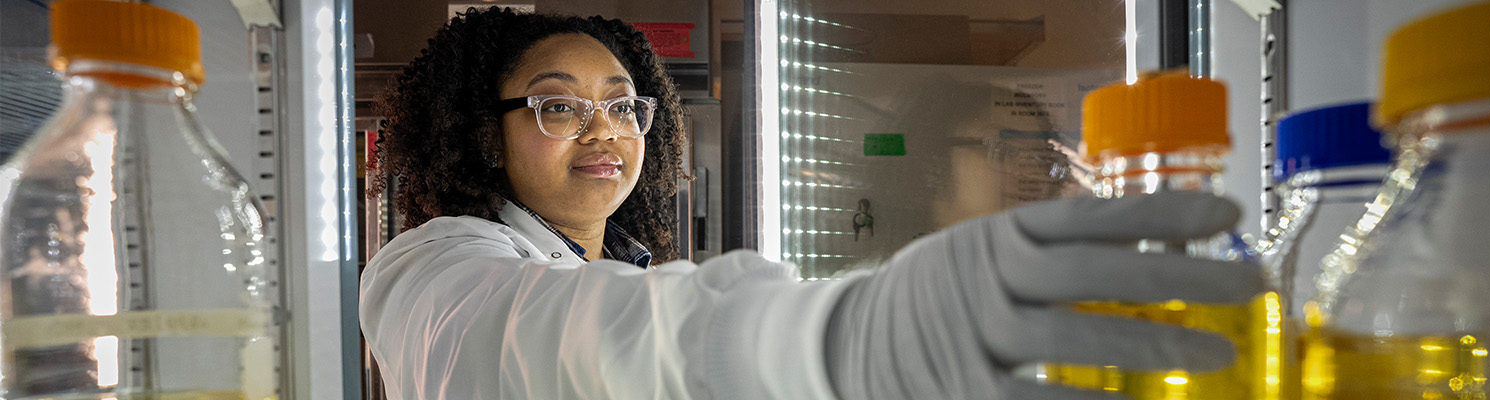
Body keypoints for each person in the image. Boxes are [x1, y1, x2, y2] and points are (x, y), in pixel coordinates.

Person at [360, 7, 1262, 400]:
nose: (604, 131)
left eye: (623, 104)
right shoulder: (433, 267)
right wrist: (840, 339)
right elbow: (554, 342)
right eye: (559, 104)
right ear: (483, 132)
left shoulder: (630, 268)